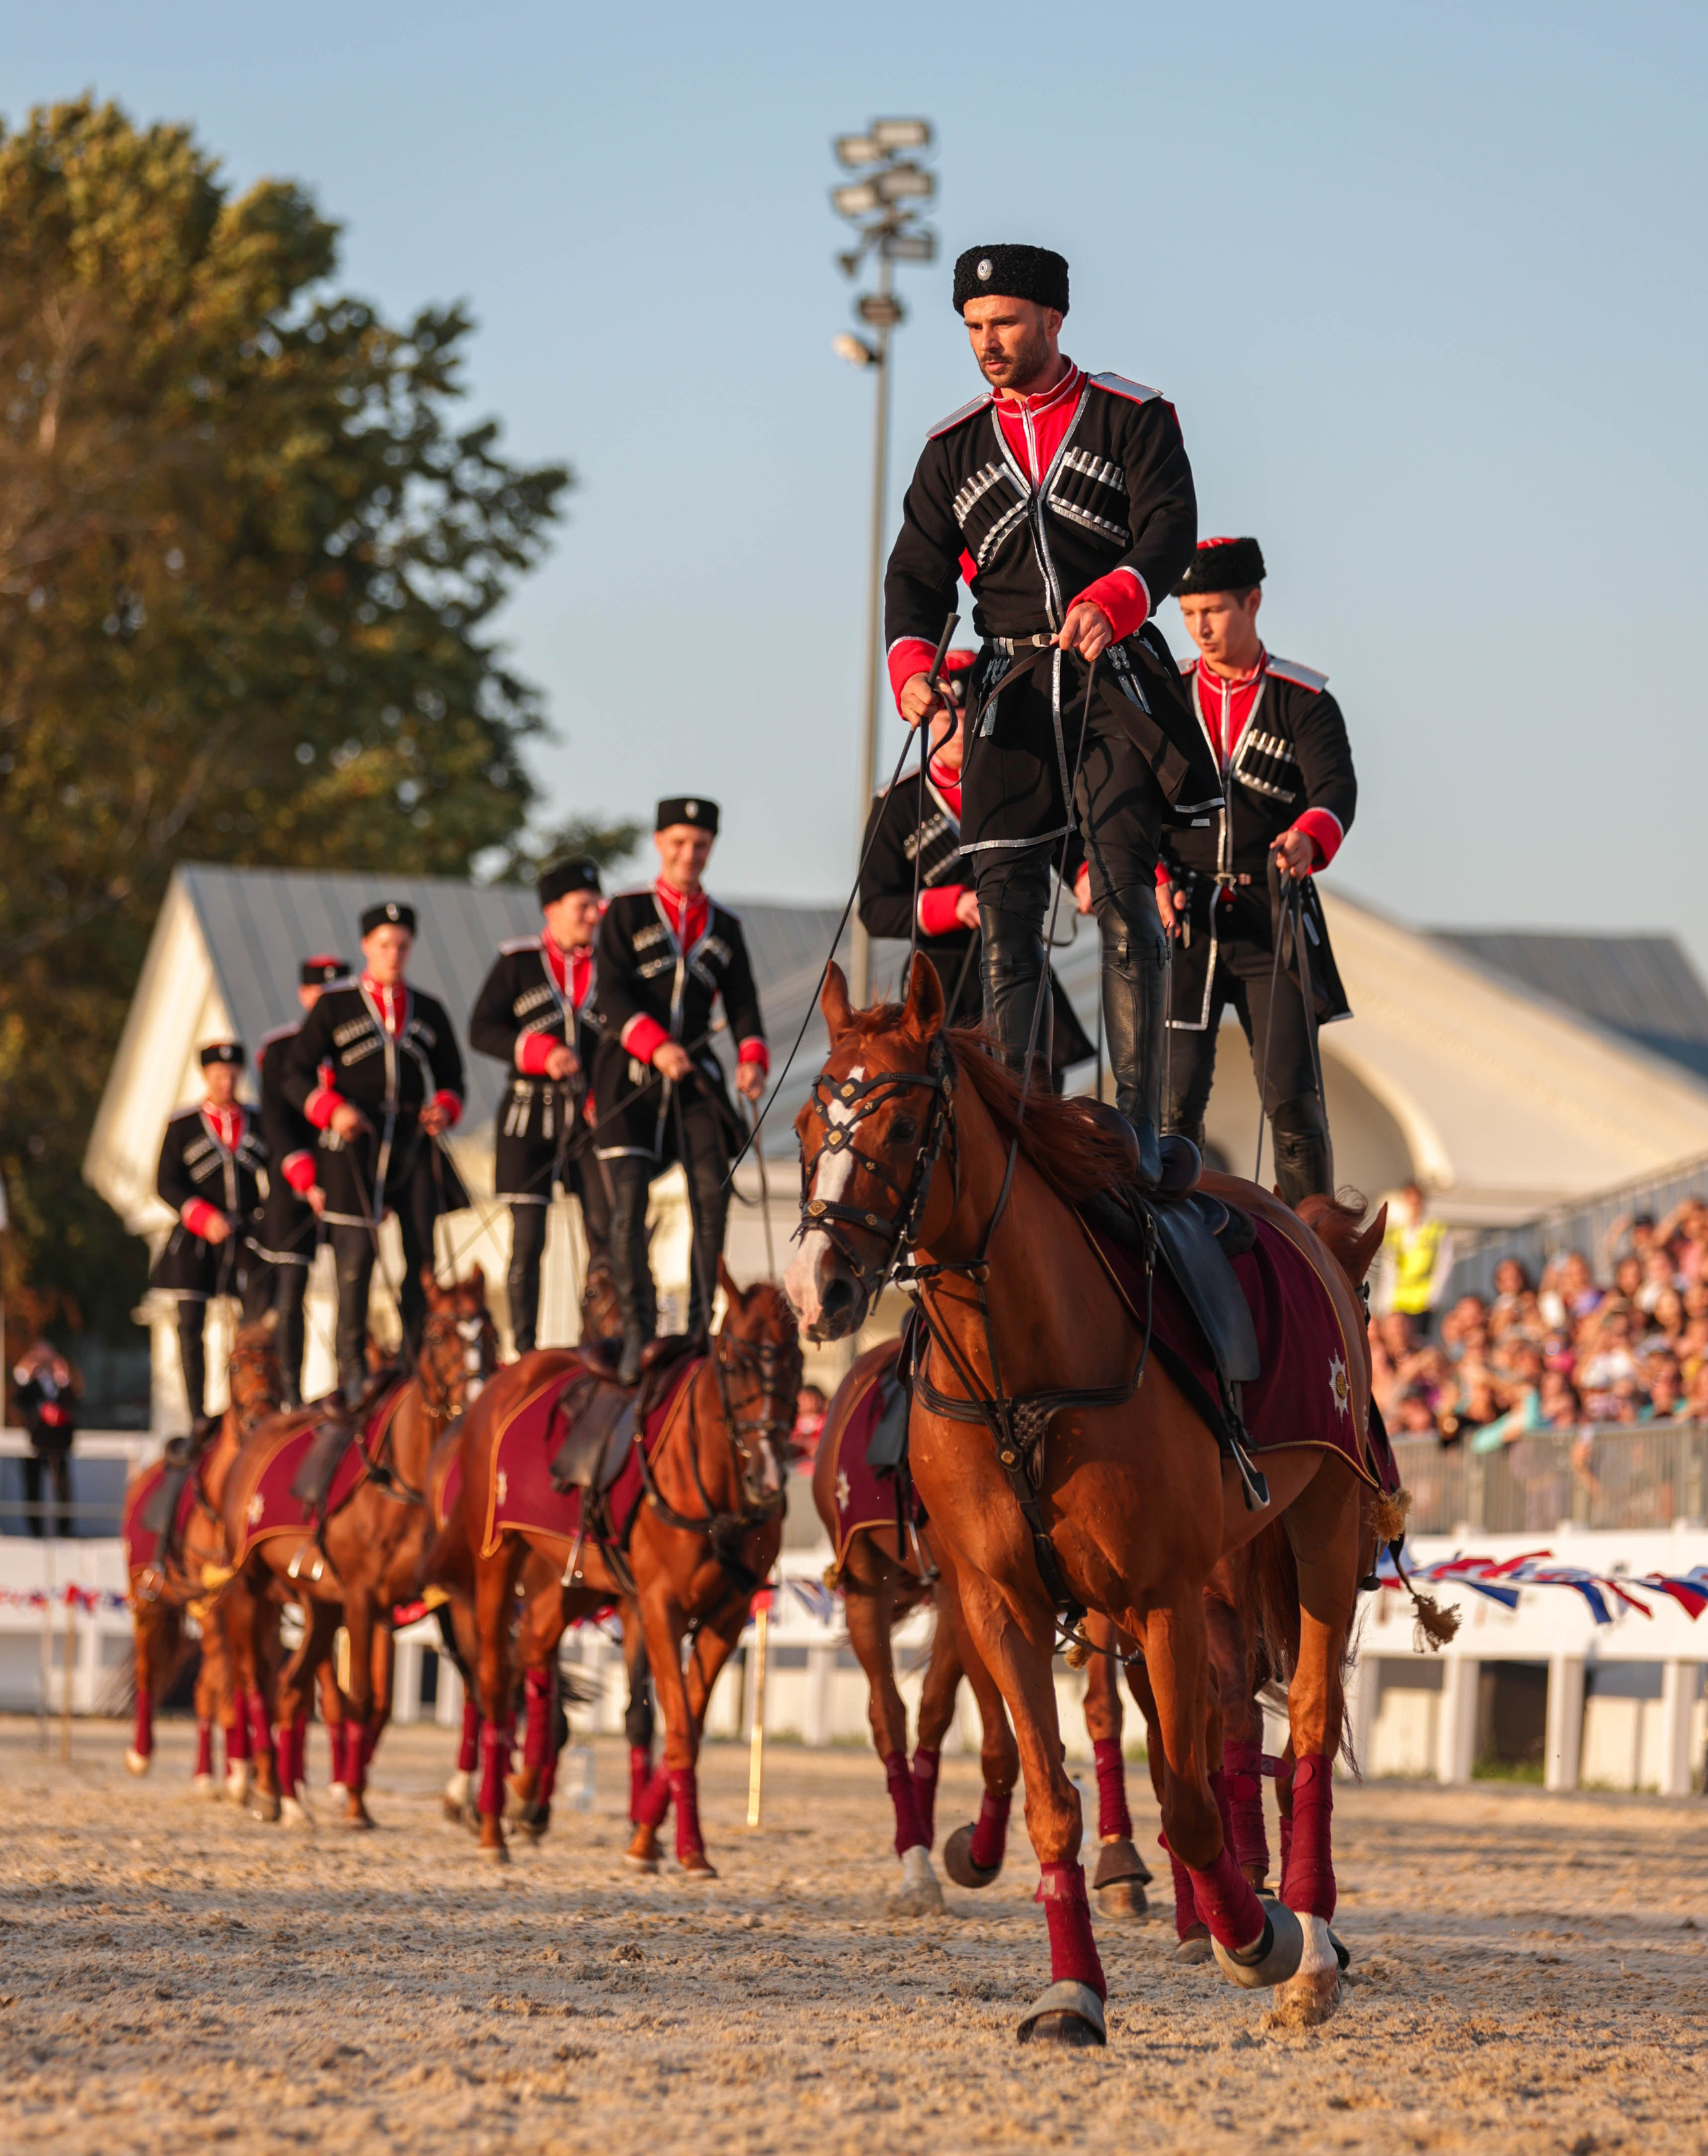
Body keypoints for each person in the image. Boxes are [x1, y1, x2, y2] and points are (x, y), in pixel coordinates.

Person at [883, 243, 1219, 1182]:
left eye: (1005, 324)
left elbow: (1169, 528)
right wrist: (912, 664)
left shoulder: (1132, 417)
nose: (988, 343)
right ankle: (1019, 1127)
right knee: (1009, 912)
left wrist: (1116, 596)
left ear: (1053, 321)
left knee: (1120, 896)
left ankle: (1138, 1132)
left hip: (1113, 678)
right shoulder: (949, 447)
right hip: (1008, 693)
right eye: (974, 328)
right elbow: (914, 575)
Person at [1150, 536, 1356, 1207]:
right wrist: (1155, 878)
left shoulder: (1304, 700)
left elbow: (1335, 792)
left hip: (1271, 923)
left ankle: (1318, 1253)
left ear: (1253, 602)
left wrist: (1308, 836)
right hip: (1186, 926)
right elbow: (1130, 803)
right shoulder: (1164, 696)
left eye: (1212, 610)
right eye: (1186, 615)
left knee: (1294, 1109)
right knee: (1171, 1110)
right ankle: (1164, 1248)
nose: (1200, 628)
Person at [592, 798, 767, 1382]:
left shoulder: (726, 926)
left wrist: (751, 1058)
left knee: (711, 1197)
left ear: (711, 849)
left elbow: (742, 1002)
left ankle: (698, 1328)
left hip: (695, 1074)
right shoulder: (625, 911)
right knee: (630, 1205)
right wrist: (650, 1042)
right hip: (629, 1074)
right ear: (658, 843)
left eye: (700, 845)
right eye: (678, 843)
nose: (689, 855)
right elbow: (610, 991)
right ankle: (637, 1333)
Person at [857, 650, 1094, 1077]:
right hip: (945, 982)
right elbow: (874, 908)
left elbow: (1067, 845)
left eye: (972, 715)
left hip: (1020, 959)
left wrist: (1084, 875)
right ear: (928, 721)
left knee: (1034, 1092)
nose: (961, 730)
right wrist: (953, 907)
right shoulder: (897, 804)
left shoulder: (1024, 781)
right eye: (949, 718)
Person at [283, 902, 466, 1402]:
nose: (394, 954)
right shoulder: (335, 1005)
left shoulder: (427, 1010)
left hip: (410, 1138)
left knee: (423, 1253)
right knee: (356, 1259)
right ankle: (352, 1371)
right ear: (367, 947)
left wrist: (445, 1108)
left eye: (403, 945)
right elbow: (294, 1072)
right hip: (352, 1143)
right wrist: (330, 1109)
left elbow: (453, 1076)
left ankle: (414, 1358)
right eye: (385, 944)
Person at [468, 857, 612, 1354]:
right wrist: (540, 1051)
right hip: (528, 1119)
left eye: (596, 905)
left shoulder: (611, 965)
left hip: (592, 1119)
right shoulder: (518, 963)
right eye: (583, 907)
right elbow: (481, 1029)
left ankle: (601, 1341)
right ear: (552, 910)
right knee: (528, 1239)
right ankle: (525, 1351)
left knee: (606, 1235)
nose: (594, 915)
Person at [148, 1042, 270, 1430]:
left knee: (257, 1321)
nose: (226, 1081)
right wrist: (203, 1217)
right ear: (206, 1077)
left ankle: (253, 1402)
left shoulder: (258, 1121)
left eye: (232, 1074)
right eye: (219, 1074)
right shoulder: (182, 1126)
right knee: (190, 1324)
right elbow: (165, 1182)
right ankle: (197, 1414)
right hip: (197, 1240)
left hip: (246, 1236)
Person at [252, 957, 344, 1407]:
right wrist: (306, 1177)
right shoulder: (282, 1048)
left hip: (346, 1176)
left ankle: (352, 1382)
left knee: (354, 1279)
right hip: (294, 1180)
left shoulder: (353, 1041)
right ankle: (291, 1393)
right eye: (317, 994)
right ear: (303, 995)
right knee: (291, 1291)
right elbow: (274, 1119)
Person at [11, 1339, 77, 1536]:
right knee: (33, 1485)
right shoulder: (28, 1383)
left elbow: (75, 1402)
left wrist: (63, 1380)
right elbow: (17, 1402)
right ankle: (35, 1530)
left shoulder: (63, 1380)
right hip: (36, 1441)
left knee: (62, 1486)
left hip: (60, 1441)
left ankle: (64, 1529)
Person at [1376, 1181, 1455, 1339]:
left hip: (1424, 1301)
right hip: (1398, 1301)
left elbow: (1445, 1264)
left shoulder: (1436, 1228)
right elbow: (1389, 1268)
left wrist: (1434, 1296)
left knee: (1420, 1341)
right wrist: (1385, 1302)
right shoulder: (1396, 1231)